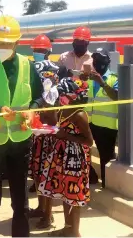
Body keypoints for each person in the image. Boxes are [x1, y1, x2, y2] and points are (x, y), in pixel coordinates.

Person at [0, 15, 43, 237]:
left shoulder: (27, 65)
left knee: (20, 199)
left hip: (20, 140)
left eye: (7, 43)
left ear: (17, 43)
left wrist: (33, 109)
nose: (2, 47)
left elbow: (39, 96)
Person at [38, 77, 93, 237]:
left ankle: (74, 232)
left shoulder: (79, 114)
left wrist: (65, 136)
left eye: (64, 95)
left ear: (75, 96)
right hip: (61, 155)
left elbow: (89, 141)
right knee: (64, 193)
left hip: (74, 159)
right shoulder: (62, 110)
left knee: (73, 196)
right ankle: (67, 227)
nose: (61, 97)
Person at [57, 26, 98, 184]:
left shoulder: (92, 59)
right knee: (64, 139)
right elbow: (56, 75)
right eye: (76, 41)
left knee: (83, 140)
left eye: (81, 41)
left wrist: (89, 76)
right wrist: (64, 75)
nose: (78, 44)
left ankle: (87, 174)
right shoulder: (63, 57)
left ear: (87, 42)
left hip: (83, 105)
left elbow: (98, 79)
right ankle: (62, 172)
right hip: (65, 105)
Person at [28, 60, 61, 229]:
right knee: (37, 176)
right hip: (39, 139)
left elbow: (53, 120)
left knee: (46, 178)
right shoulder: (42, 93)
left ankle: (48, 215)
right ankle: (41, 208)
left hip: (49, 141)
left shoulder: (53, 93)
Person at [87, 48, 118, 188]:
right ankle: (91, 177)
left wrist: (102, 83)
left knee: (106, 157)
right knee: (83, 152)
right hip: (90, 123)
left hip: (107, 126)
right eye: (95, 59)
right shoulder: (90, 78)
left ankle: (107, 183)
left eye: (100, 60)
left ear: (107, 62)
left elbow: (117, 96)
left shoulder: (114, 79)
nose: (97, 62)